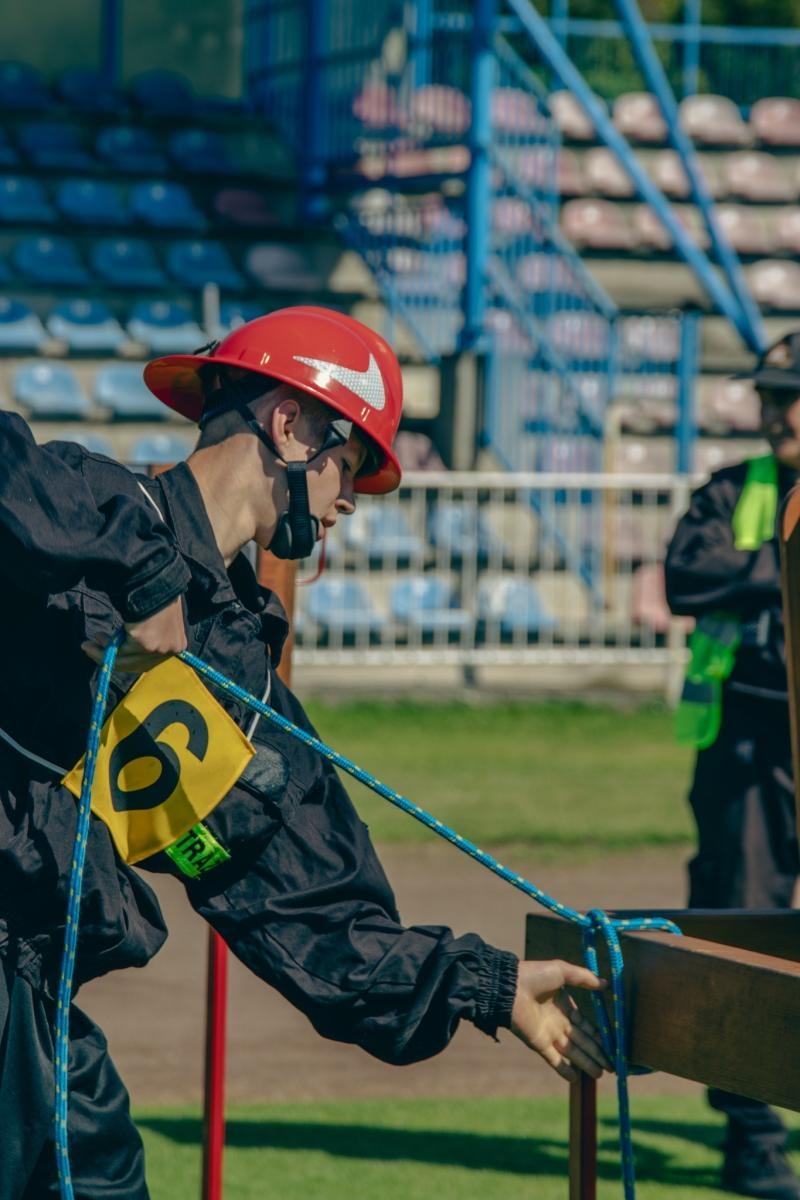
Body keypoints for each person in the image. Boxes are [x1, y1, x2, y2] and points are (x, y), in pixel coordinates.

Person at [0, 306, 608, 1199]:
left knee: (98, 1169)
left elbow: (309, 913)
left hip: (27, 1000)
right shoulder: (87, 503)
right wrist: (148, 572)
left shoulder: (240, 688)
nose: (352, 500)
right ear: (291, 426)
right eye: (350, 463)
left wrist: (487, 986)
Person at [665, 331, 800, 1200]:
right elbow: (687, 576)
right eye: (769, 394)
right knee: (745, 925)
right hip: (748, 738)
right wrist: (777, 562)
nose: (776, 410)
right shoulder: (732, 490)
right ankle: (752, 1134)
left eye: (792, 393)